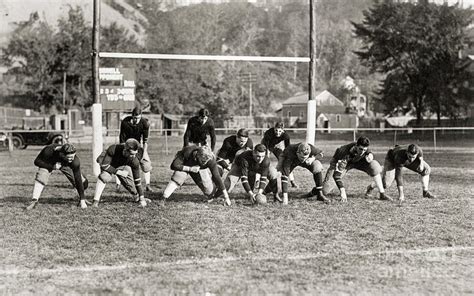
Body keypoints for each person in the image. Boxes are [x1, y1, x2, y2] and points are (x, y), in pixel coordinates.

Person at [323, 136, 391, 202]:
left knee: (374, 166)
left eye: (364, 150)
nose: (362, 152)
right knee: (325, 190)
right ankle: (317, 191)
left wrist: (370, 154)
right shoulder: (344, 153)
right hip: (342, 162)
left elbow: (367, 150)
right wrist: (342, 191)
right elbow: (336, 175)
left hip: (358, 161)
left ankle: (382, 194)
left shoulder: (363, 149)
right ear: (356, 146)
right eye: (360, 149)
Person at [161, 145, 231, 205]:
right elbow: (174, 165)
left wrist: (226, 197)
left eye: (207, 161)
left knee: (209, 191)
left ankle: (210, 194)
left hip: (198, 169)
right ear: (197, 155)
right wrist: (190, 169)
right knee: (178, 177)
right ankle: (164, 197)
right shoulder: (188, 151)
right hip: (185, 165)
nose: (205, 163)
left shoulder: (211, 159)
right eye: (203, 160)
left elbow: (217, 177)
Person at [26, 143, 89, 210]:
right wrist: (51, 166)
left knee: (83, 182)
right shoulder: (48, 151)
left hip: (64, 164)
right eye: (69, 157)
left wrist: (82, 199)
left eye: (72, 157)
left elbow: (78, 178)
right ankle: (34, 201)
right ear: (62, 154)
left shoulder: (74, 161)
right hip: (49, 162)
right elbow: (37, 161)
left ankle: (81, 198)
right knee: (41, 176)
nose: (71, 160)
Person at [365, 144, 435, 202]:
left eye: (414, 157)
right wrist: (401, 195)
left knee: (426, 169)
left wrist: (421, 164)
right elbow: (398, 176)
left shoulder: (417, 149)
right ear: (407, 152)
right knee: (386, 184)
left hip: (405, 159)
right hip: (392, 159)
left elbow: (420, 154)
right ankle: (371, 186)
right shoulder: (400, 156)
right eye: (410, 157)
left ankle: (425, 192)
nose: (411, 159)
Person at [93, 139, 149, 208]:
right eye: (131, 154)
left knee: (130, 182)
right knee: (104, 177)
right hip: (109, 162)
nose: (133, 156)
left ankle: (137, 197)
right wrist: (119, 172)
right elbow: (104, 165)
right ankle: (95, 201)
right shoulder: (113, 149)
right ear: (125, 150)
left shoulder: (134, 159)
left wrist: (142, 197)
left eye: (135, 154)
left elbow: (137, 180)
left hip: (121, 164)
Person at [118, 106, 155, 192]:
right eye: (134, 118)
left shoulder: (145, 123)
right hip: (126, 144)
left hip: (138, 145)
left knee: (146, 164)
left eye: (138, 118)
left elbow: (145, 141)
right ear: (132, 116)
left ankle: (148, 185)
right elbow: (122, 138)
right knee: (121, 163)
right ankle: (118, 185)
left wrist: (144, 152)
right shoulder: (125, 122)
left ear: (141, 116)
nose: (136, 120)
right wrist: (124, 150)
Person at [261, 122, 298, 188]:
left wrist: (287, 157)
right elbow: (266, 148)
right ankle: (258, 181)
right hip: (266, 145)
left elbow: (288, 148)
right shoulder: (268, 133)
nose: (278, 132)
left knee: (285, 161)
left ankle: (292, 181)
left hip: (276, 146)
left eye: (280, 131)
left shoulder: (286, 136)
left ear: (283, 130)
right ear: (274, 128)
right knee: (264, 161)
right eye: (276, 130)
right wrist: (267, 156)